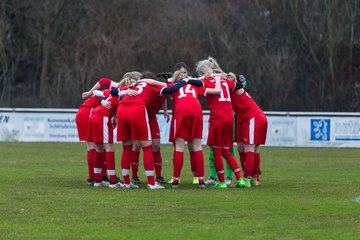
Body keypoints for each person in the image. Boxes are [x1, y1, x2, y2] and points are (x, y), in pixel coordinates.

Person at [113, 71, 193, 190]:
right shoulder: (152, 86)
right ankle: (151, 183)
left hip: (122, 109)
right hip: (137, 109)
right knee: (147, 147)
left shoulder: (135, 85)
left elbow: (113, 91)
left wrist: (125, 91)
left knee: (126, 147)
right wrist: (184, 81)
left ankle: (126, 182)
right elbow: (172, 89)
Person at [195, 57, 246, 189]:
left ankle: (222, 181)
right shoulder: (224, 80)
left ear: (202, 72)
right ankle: (240, 179)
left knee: (216, 151)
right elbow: (238, 86)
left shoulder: (206, 81)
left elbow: (195, 87)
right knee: (226, 152)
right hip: (229, 118)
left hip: (217, 118)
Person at [168, 70, 222, 189]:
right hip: (196, 110)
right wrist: (217, 79)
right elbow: (216, 91)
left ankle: (176, 180)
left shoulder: (173, 86)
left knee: (179, 147)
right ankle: (201, 179)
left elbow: (161, 92)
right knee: (197, 146)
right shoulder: (194, 85)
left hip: (181, 111)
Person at [130, 72, 171, 185]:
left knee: (156, 146)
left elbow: (165, 98)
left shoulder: (159, 90)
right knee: (137, 146)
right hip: (140, 117)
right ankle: (134, 176)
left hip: (151, 119)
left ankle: (158, 176)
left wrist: (165, 110)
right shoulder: (145, 91)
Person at [229, 73, 268, 187]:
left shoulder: (233, 88)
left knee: (250, 148)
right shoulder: (235, 88)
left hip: (253, 117)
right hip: (246, 118)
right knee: (241, 147)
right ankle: (252, 177)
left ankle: (248, 179)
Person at [167, 62, 200, 185]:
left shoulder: (192, 84)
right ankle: (177, 176)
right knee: (177, 147)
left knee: (192, 147)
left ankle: (195, 175)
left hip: (186, 116)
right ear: (176, 73)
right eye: (181, 73)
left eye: (185, 73)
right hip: (177, 117)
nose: (183, 75)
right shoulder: (172, 84)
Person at [87, 89, 123, 188]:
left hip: (94, 114)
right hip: (102, 116)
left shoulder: (112, 94)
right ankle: (113, 181)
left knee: (99, 148)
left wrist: (102, 100)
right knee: (109, 147)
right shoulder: (124, 92)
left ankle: (98, 180)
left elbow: (98, 93)